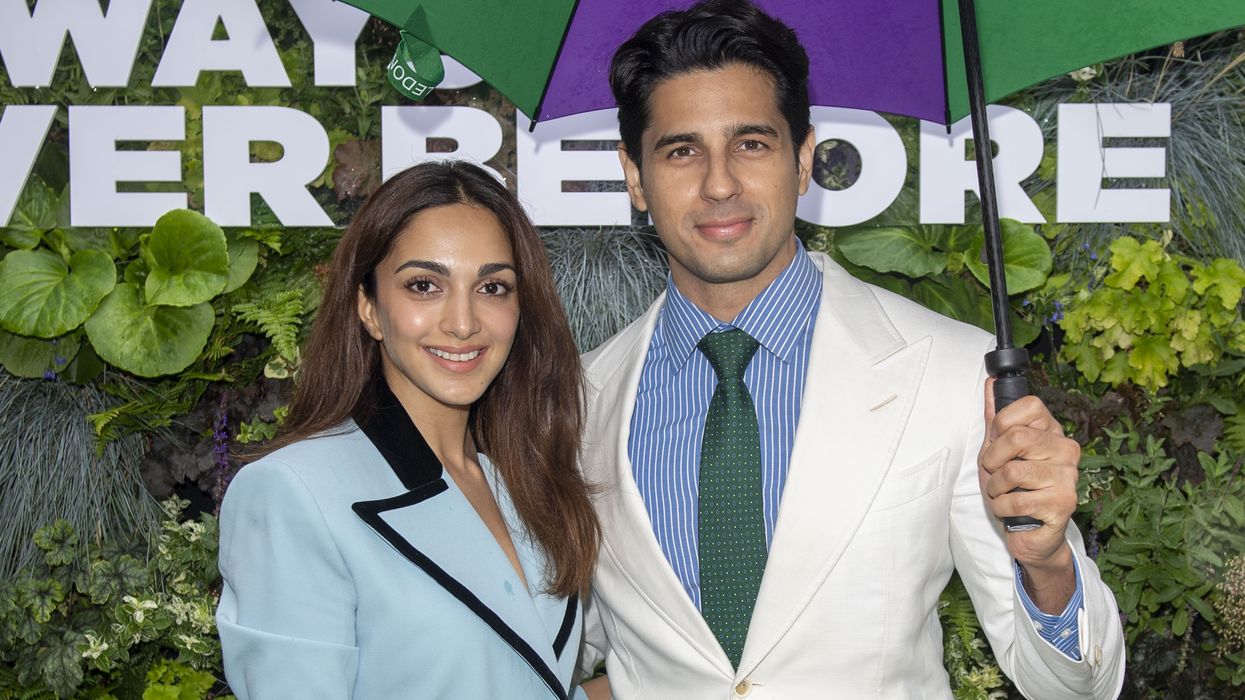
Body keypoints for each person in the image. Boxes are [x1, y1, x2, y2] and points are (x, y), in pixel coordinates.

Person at [575, 1, 1125, 698]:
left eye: (751, 144)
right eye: (681, 150)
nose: (719, 184)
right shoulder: (579, 400)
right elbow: (558, 643)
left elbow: (1075, 687)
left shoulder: (953, 370)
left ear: (803, 159)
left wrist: (1046, 564)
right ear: (634, 175)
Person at [216, 161, 601, 699]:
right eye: (424, 285)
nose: (463, 322)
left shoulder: (522, 480)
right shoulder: (291, 493)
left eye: (492, 287)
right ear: (369, 308)